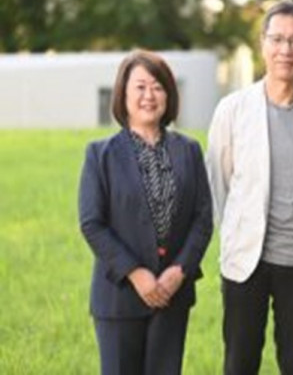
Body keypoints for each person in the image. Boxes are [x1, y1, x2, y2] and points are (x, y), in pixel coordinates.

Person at [206, 1, 293, 375]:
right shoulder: (232, 109)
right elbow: (219, 183)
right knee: (239, 363)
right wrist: (238, 231)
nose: (286, 50)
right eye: (278, 39)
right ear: (262, 44)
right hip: (245, 261)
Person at [78, 50, 213, 375]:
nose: (149, 96)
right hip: (119, 295)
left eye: (158, 87)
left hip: (172, 295)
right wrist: (136, 273)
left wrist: (179, 271)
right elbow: (92, 223)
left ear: (169, 94)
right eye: (140, 87)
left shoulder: (189, 150)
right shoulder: (100, 154)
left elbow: (203, 218)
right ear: (123, 95)